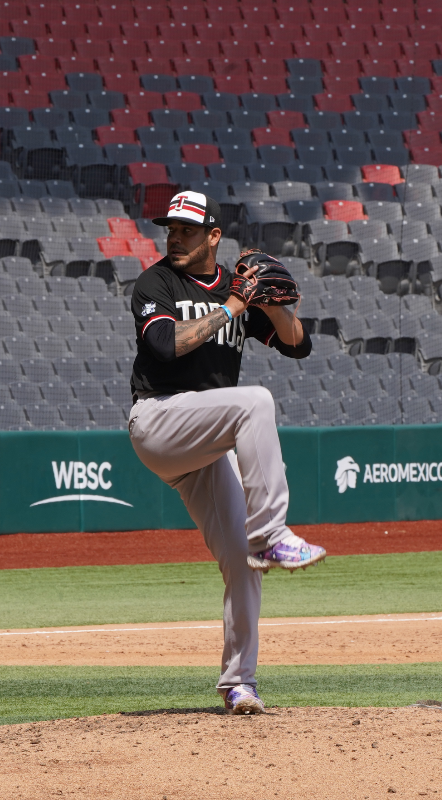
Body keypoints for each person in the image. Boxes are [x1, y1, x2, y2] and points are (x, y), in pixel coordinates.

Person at [127, 190, 328, 714]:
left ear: (214, 236)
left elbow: (298, 344)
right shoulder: (156, 283)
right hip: (158, 420)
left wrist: (276, 306)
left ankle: (240, 683)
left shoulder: (236, 286)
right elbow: (167, 345)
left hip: (207, 444)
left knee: (242, 564)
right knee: (254, 402)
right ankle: (272, 534)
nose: (174, 237)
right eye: (170, 229)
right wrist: (234, 307)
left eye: (187, 230)